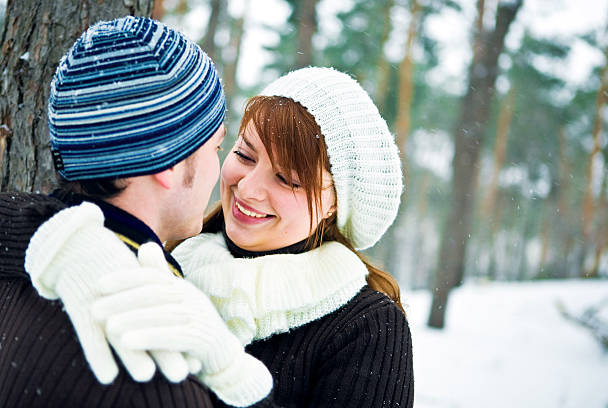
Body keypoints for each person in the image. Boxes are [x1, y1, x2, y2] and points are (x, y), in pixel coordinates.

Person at [25, 67, 415, 407]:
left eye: (287, 180)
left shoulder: (367, 328)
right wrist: (58, 236)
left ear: (333, 205)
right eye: (245, 155)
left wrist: (234, 377)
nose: (247, 189)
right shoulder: (170, 252)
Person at [0, 16, 271, 408]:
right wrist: (239, 381)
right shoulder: (156, 372)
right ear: (167, 164)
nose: (220, 170)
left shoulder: (24, 267)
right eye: (213, 148)